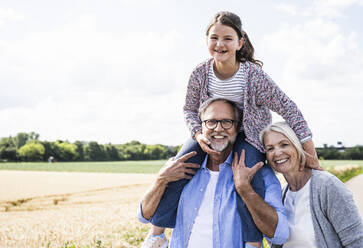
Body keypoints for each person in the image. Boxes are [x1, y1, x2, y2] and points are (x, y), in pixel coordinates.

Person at [144, 10, 321, 246]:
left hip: (249, 138)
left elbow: (290, 109)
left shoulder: (254, 77)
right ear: (207, 41)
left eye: (227, 38)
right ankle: (156, 234)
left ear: (240, 43)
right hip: (210, 131)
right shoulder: (200, 74)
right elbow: (188, 109)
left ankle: (253, 242)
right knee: (178, 166)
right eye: (214, 38)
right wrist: (198, 133)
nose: (220, 44)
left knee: (249, 182)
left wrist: (311, 155)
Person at [138, 98, 289, 248]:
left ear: (238, 128)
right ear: (201, 126)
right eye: (211, 122)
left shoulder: (258, 173)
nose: (218, 129)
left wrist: (246, 190)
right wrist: (161, 180)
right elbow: (144, 215)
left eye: (227, 122)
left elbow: (280, 234)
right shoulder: (180, 168)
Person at [260, 122, 363, 247]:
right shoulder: (282, 195)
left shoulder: (327, 186)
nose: (277, 153)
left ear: (298, 147)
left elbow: (356, 242)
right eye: (270, 148)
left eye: (284, 145)